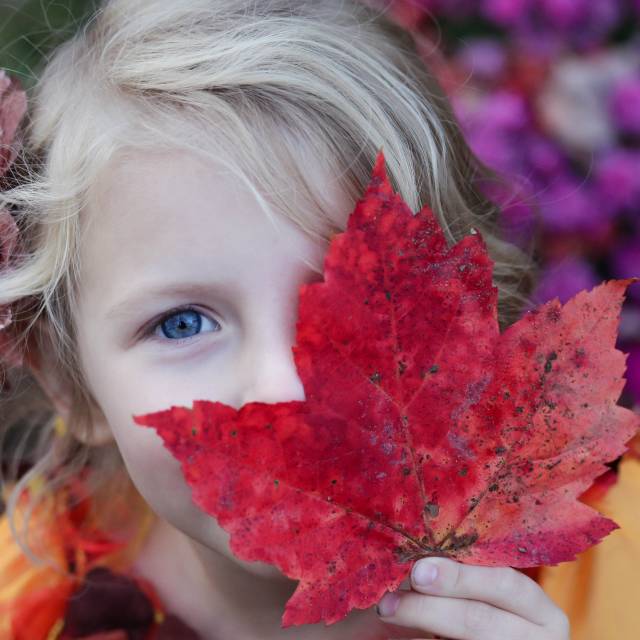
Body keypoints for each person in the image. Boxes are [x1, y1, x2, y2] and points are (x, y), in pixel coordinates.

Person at [0, 0, 635, 638]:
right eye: (182, 324)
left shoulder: (618, 573)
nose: (286, 390)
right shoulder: (24, 606)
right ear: (67, 378)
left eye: (352, 299)